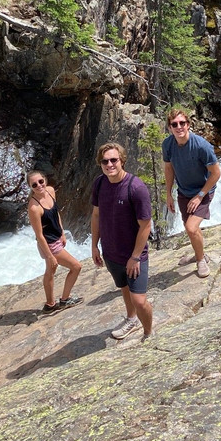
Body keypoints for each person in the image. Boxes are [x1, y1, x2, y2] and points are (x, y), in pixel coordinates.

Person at [90, 142, 154, 341]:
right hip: (111, 252)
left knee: (139, 300)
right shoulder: (100, 184)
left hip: (133, 254)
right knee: (124, 288)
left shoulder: (136, 188)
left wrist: (135, 257)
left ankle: (149, 332)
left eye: (113, 160)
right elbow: (96, 215)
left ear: (122, 161)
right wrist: (94, 245)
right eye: (105, 161)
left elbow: (145, 225)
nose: (109, 164)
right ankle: (131, 319)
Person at [162, 108, 221, 279]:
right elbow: (168, 168)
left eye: (182, 123)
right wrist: (168, 194)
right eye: (175, 124)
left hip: (204, 190)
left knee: (191, 227)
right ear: (170, 128)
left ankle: (201, 260)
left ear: (188, 125)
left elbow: (216, 173)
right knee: (190, 229)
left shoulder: (201, 146)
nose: (179, 127)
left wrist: (200, 195)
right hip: (184, 191)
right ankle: (199, 253)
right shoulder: (168, 145)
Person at [27, 170, 83, 313]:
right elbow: (39, 235)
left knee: (50, 271)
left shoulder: (51, 191)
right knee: (76, 267)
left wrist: (62, 232)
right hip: (49, 244)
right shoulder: (34, 208)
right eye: (34, 185)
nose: (39, 186)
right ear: (30, 187)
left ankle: (50, 304)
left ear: (45, 180)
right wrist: (50, 256)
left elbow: (56, 212)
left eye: (41, 181)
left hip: (56, 237)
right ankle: (64, 300)